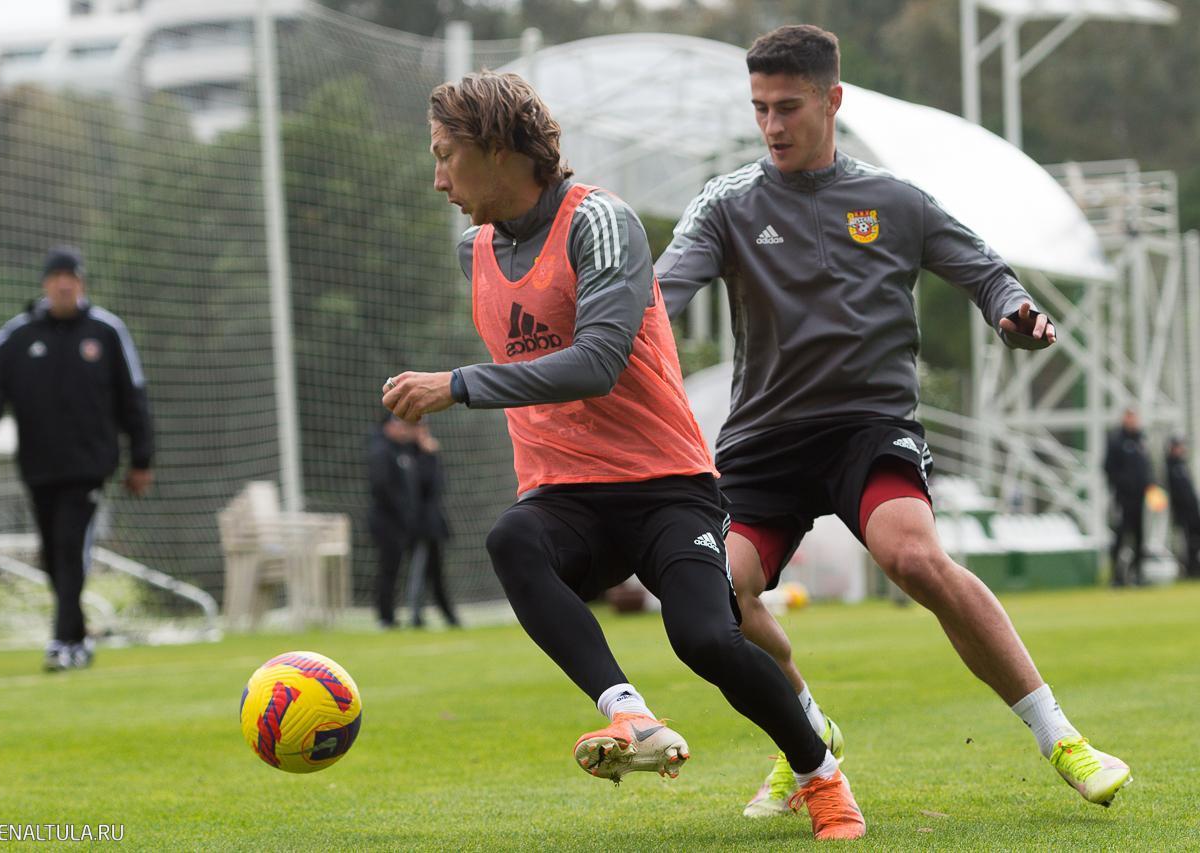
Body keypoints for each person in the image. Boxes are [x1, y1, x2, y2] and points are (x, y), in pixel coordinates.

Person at [655, 24, 1130, 815]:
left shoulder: (896, 201)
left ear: (832, 100)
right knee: (716, 596)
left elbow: (987, 273)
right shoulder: (727, 205)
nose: (771, 125)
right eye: (760, 108)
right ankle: (809, 735)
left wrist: (1015, 312)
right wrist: (619, 337)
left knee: (913, 556)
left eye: (788, 107)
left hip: (868, 427)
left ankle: (1064, 739)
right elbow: (661, 295)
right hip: (764, 442)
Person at [383, 70, 866, 840]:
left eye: (446, 156)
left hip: (665, 486)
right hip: (565, 496)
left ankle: (820, 774)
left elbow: (597, 360)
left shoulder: (600, 221)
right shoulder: (473, 250)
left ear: (499, 149)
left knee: (705, 638)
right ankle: (629, 714)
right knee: (512, 538)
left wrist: (459, 384)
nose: (438, 178)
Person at [0, 245, 153, 671]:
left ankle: (62, 642)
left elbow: (134, 398)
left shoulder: (107, 332)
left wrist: (141, 458)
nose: (64, 285)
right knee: (53, 555)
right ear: (46, 284)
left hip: (89, 466)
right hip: (39, 466)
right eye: (57, 278)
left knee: (71, 547)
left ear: (81, 284)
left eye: (72, 278)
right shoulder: (17, 336)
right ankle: (78, 637)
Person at [367, 414, 459, 629]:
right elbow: (383, 488)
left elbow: (433, 487)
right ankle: (388, 617)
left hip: (419, 524)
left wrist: (431, 456)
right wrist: (405, 514)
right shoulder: (384, 451)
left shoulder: (412, 452)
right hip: (395, 523)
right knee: (392, 570)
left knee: (429, 571)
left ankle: (435, 616)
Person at [405, 424, 460, 628]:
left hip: (432, 526)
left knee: (436, 573)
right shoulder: (407, 456)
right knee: (418, 572)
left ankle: (449, 616)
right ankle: (415, 616)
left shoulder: (428, 456)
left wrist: (432, 456)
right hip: (417, 527)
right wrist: (428, 456)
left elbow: (437, 487)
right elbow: (420, 486)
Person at [1104, 408, 1152, 586]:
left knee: (1140, 536)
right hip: (1123, 498)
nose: (1132, 421)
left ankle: (1138, 574)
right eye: (1130, 418)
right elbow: (1108, 468)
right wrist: (1122, 485)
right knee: (1121, 535)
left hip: (1140, 498)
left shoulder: (1141, 440)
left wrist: (1149, 485)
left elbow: (1147, 467)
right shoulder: (1116, 441)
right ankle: (1116, 576)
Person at [1165, 435, 1200, 579]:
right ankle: (1189, 569)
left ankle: (1194, 566)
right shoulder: (1170, 467)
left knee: (1195, 540)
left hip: (1192, 511)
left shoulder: (1182, 465)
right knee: (1186, 542)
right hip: (1182, 512)